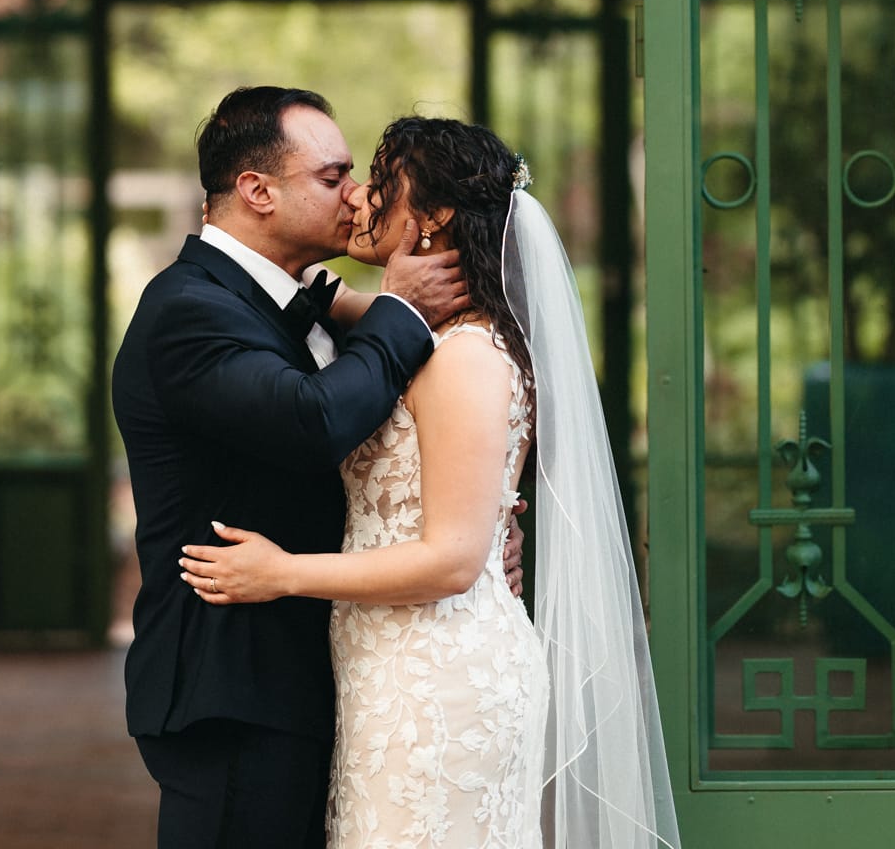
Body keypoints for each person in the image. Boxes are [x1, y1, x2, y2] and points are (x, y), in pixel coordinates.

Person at [182, 115, 681, 849]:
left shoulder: (464, 359)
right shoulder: (424, 338)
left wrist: (281, 573)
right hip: (388, 663)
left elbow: (451, 559)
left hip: (440, 671)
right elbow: (339, 313)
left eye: (379, 185)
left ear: (435, 216)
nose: (357, 200)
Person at [111, 85, 475, 849]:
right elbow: (312, 423)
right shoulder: (187, 309)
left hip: (308, 680)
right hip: (233, 689)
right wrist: (398, 310)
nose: (356, 197)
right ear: (256, 191)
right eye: (332, 176)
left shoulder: (286, 303)